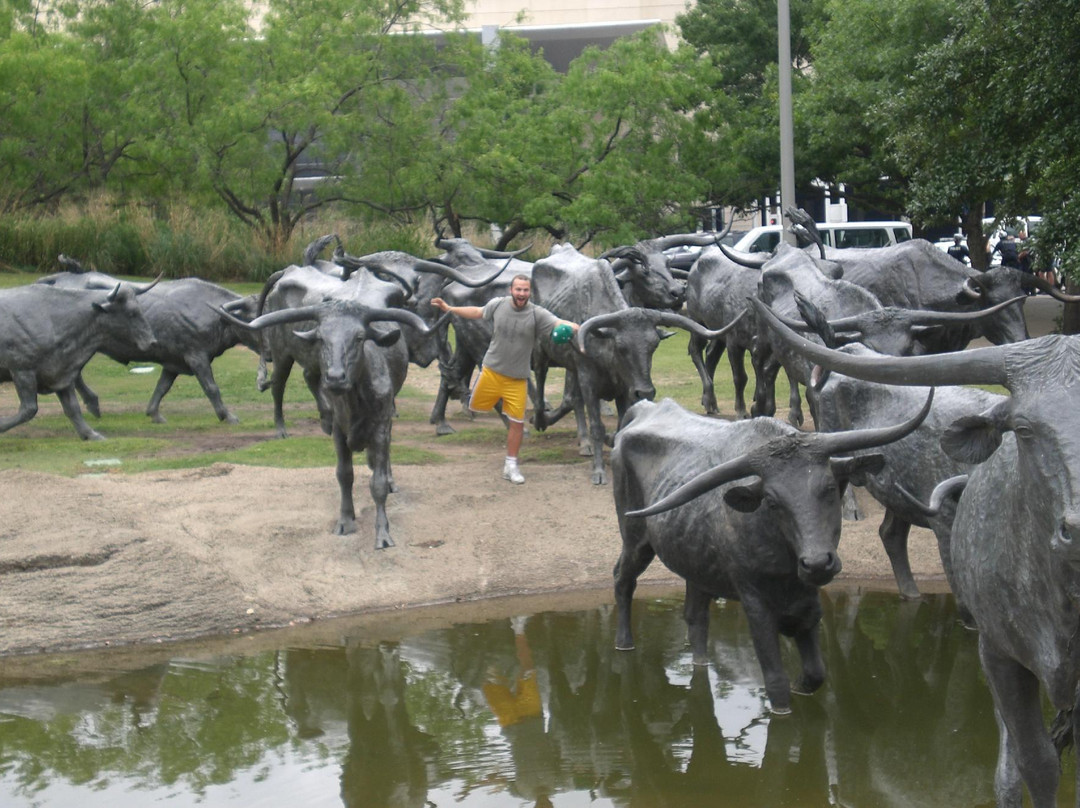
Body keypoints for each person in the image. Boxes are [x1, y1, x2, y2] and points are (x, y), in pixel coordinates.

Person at [431, 275, 578, 484]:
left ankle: (511, 465)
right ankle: (467, 394)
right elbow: (477, 312)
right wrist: (450, 309)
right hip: (491, 372)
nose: (521, 294)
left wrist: (578, 327)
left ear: (530, 293)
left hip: (517, 379)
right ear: (511, 290)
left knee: (516, 423)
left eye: (525, 290)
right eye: (518, 289)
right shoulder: (498, 305)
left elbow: (557, 322)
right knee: (474, 404)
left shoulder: (537, 314)